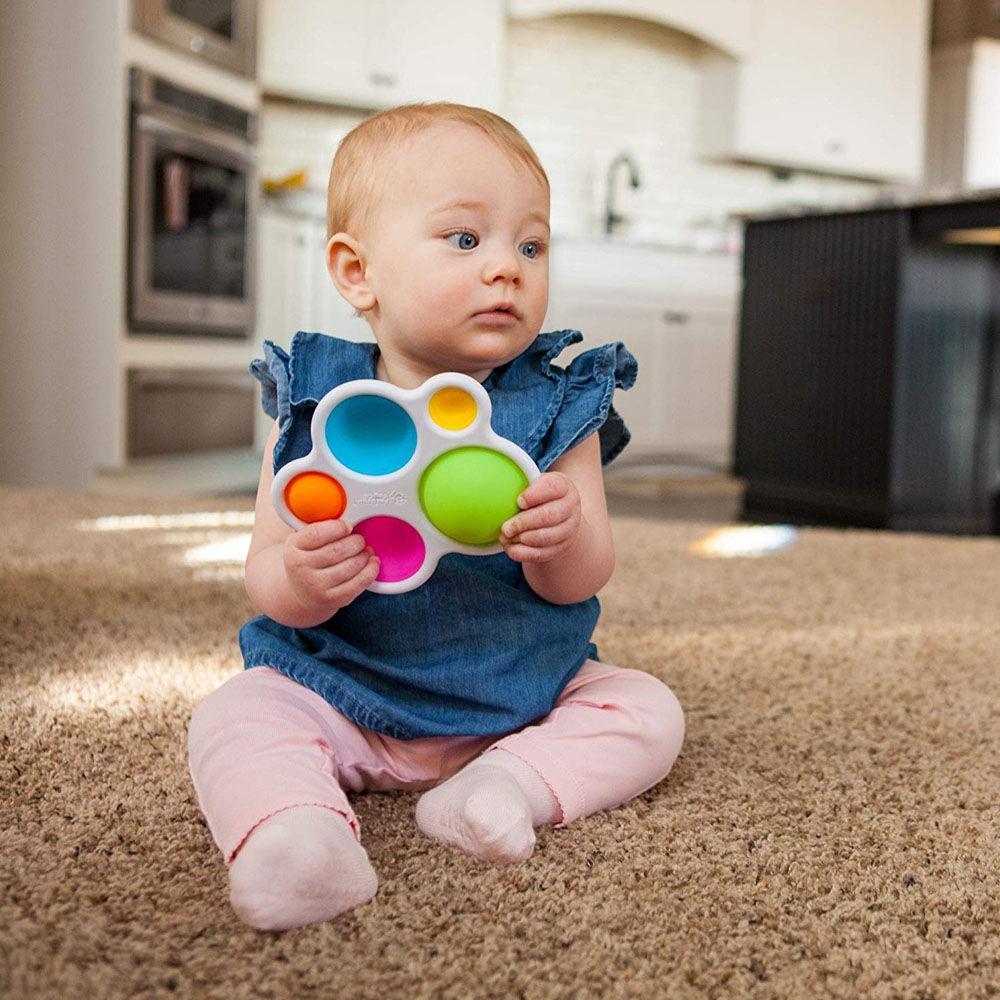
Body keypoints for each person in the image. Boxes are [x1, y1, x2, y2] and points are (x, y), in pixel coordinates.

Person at [187, 102, 685, 932]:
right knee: (236, 713)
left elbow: (583, 581)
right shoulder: (318, 401)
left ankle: (504, 788)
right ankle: (296, 836)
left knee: (646, 710)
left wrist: (560, 539)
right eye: (465, 240)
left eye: (531, 245)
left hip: (519, 700)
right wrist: (304, 578)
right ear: (357, 273)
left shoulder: (560, 404)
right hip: (343, 690)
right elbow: (267, 578)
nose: (508, 269)